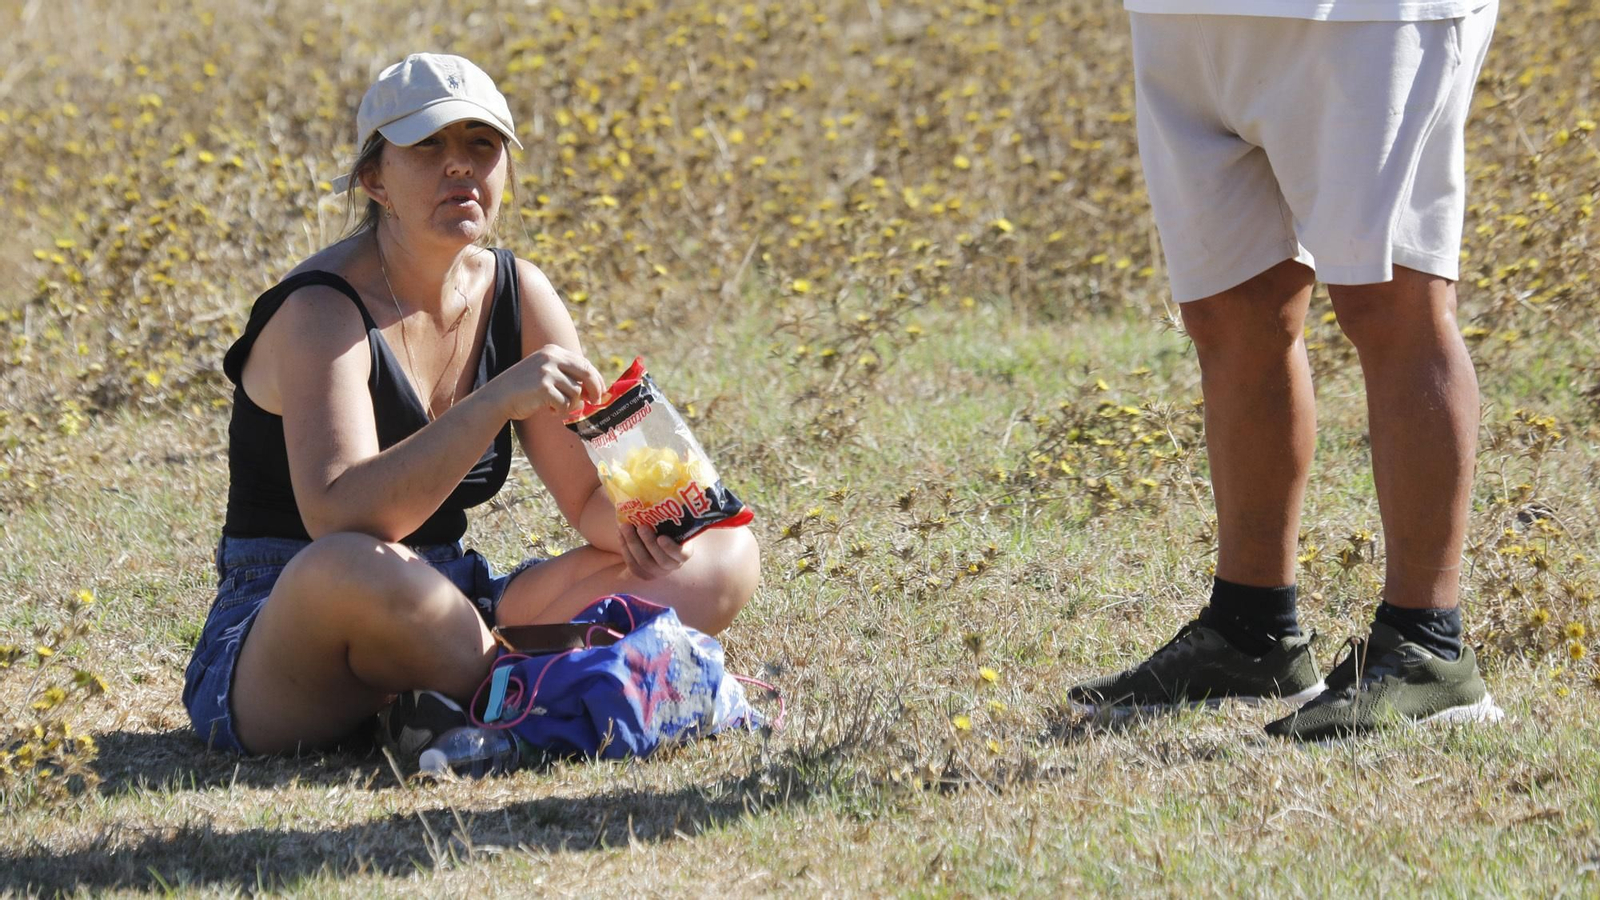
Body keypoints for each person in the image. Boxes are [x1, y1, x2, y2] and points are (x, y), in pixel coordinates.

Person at [182, 53, 760, 759]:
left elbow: (586, 500)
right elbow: (338, 517)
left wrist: (650, 522)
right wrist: (490, 403)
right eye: (428, 146)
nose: (459, 166)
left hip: (452, 600)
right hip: (294, 622)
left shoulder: (519, 291)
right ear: (375, 180)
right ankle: (578, 687)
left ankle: (485, 700)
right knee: (350, 566)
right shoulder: (319, 311)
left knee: (724, 553)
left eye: (480, 146)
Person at [1067, 3, 1504, 739]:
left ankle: (1430, 647)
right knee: (1231, 309)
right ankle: (1252, 630)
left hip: (1366, 16)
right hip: (1184, 16)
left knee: (1394, 299)